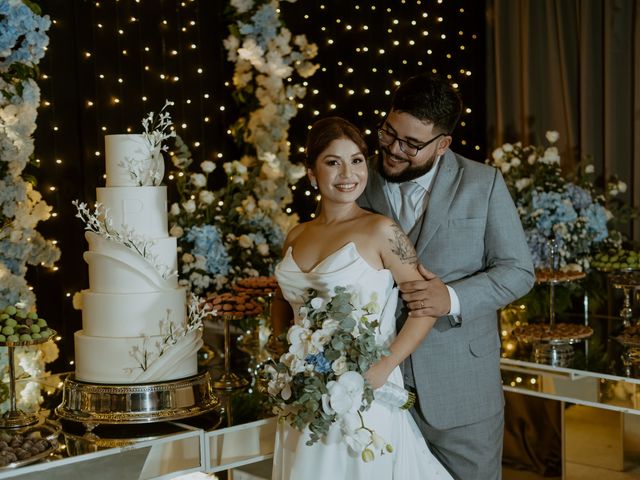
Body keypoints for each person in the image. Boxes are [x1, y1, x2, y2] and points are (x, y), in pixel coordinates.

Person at [357, 73, 536, 479]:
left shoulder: (484, 184)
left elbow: (518, 271)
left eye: (412, 144)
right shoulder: (357, 179)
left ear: (443, 144)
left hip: (462, 395)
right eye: (389, 133)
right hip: (379, 394)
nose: (394, 150)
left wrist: (451, 299)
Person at [270, 116, 453, 479]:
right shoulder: (295, 235)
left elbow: (426, 308)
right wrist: (282, 350)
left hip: (364, 395)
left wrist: (385, 367)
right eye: (332, 162)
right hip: (304, 396)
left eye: (355, 160)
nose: (347, 173)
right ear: (311, 173)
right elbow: (281, 300)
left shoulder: (382, 230)